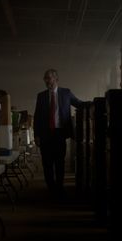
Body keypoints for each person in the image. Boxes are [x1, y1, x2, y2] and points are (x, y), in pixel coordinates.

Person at [33, 68, 82, 200]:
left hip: (60, 133)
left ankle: (59, 188)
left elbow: (78, 103)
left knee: (60, 162)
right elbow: (37, 117)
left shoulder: (66, 93)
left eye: (49, 78)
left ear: (56, 79)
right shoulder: (41, 96)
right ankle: (51, 189)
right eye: (45, 78)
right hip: (45, 134)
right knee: (47, 163)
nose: (47, 81)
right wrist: (36, 135)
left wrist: (95, 103)